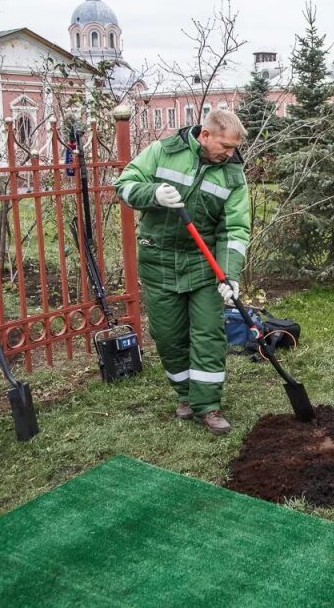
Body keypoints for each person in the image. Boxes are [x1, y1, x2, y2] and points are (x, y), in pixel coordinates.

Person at [114, 110, 250, 434]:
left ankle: (209, 406)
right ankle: (186, 396)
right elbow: (125, 184)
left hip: (204, 266)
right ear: (205, 135)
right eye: (225, 146)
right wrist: (153, 194)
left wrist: (229, 275)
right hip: (159, 260)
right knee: (168, 335)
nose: (230, 154)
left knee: (208, 334)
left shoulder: (232, 176)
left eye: (234, 148)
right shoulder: (163, 152)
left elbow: (235, 229)